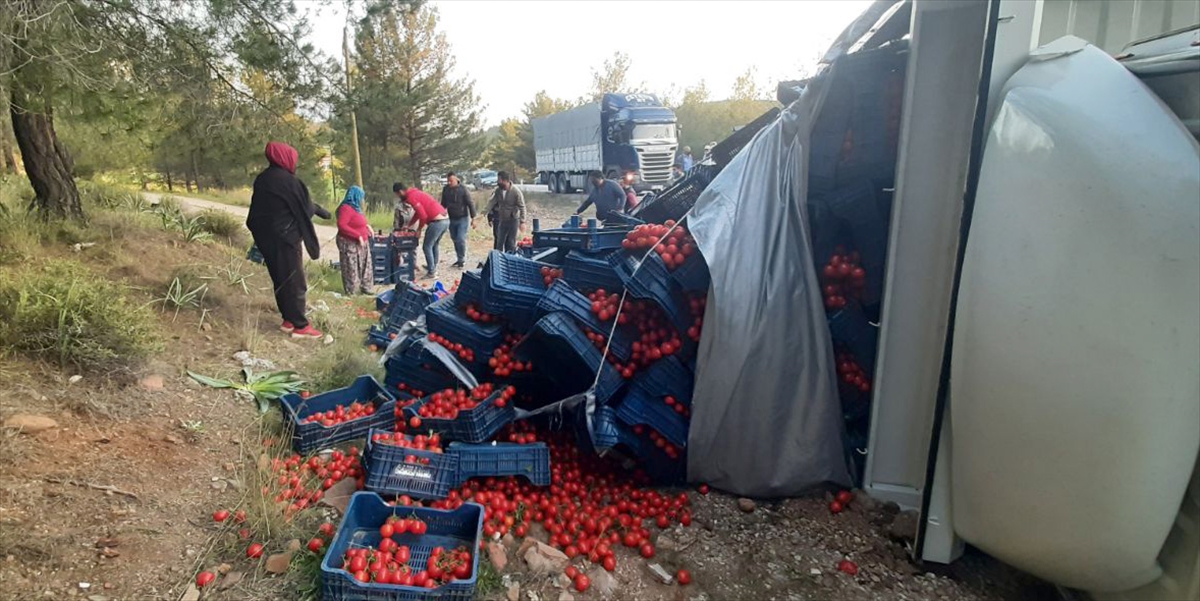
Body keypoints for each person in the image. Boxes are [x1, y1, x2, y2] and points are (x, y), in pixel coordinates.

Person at [246, 141, 323, 339]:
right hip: (285, 238)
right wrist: (317, 209)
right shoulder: (289, 181)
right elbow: (303, 208)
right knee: (295, 281)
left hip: (265, 237)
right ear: (286, 158)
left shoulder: (263, 178)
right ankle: (300, 326)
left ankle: (288, 319)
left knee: (280, 278)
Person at [397, 182, 450, 278]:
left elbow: (423, 216)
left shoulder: (410, 198)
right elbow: (418, 213)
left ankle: (432, 272)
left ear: (400, 191)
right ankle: (433, 266)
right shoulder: (416, 193)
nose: (398, 197)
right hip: (445, 220)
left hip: (437, 222)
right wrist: (409, 225)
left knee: (427, 246)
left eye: (397, 195)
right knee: (434, 244)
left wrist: (419, 229)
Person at [334, 185, 373, 295]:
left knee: (365, 264)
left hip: (362, 242)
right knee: (351, 266)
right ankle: (352, 290)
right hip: (349, 242)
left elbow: (357, 221)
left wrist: (367, 226)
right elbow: (342, 225)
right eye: (360, 197)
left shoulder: (356, 208)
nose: (362, 200)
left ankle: (366, 287)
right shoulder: (346, 208)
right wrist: (357, 235)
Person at [483, 171, 526, 253]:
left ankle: (509, 259)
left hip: (513, 220)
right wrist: (483, 214)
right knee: (499, 242)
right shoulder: (498, 191)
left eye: (499, 180)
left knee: (510, 243)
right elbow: (491, 202)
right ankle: (498, 261)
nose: (498, 182)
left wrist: (522, 221)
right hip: (502, 220)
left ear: (505, 181)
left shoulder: (516, 192)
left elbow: (522, 207)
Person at [440, 172, 477, 268]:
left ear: (456, 179)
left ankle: (462, 259)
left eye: (451, 181)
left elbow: (470, 203)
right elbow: (443, 204)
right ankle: (459, 258)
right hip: (451, 218)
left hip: (463, 218)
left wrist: (474, 218)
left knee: (460, 239)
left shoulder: (463, 189)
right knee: (455, 239)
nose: (449, 183)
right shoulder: (446, 190)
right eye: (448, 181)